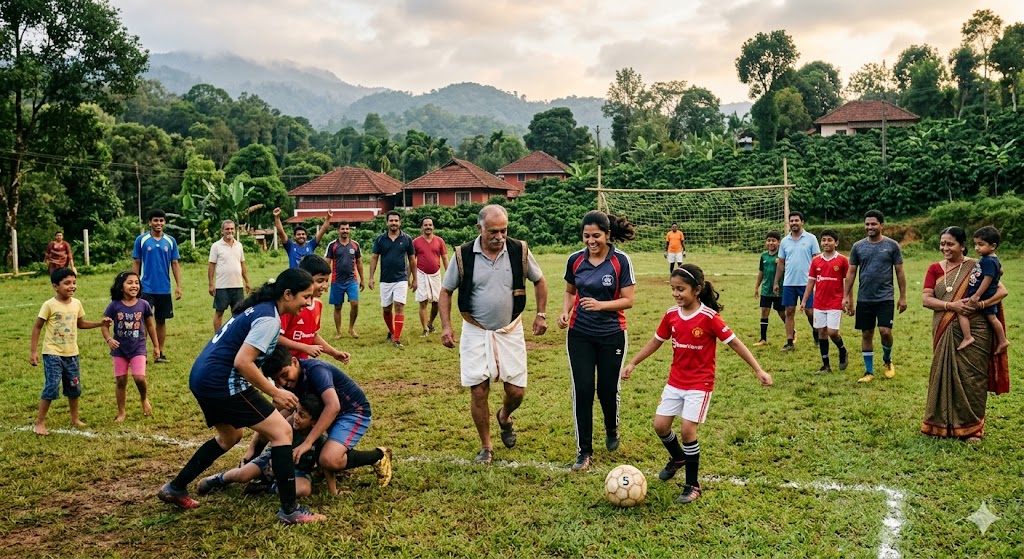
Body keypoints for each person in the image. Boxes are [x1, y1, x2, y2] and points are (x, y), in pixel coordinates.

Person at [155, 268, 326, 525]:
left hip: (201, 377)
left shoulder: (261, 308)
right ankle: (290, 511)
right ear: (288, 294)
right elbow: (243, 362)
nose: (308, 303)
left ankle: (176, 487)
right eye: (305, 296)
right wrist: (275, 392)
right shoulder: (269, 318)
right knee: (282, 433)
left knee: (230, 436)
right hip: (221, 382)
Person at [621, 264, 771, 504]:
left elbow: (735, 343)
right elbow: (656, 341)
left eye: (681, 289)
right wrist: (633, 363)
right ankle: (678, 458)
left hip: (699, 385)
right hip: (675, 382)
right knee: (660, 426)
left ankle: (693, 485)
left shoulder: (709, 318)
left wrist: (758, 370)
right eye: (673, 289)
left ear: (697, 290)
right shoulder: (671, 315)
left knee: (687, 431)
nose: (676, 294)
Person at [439, 204, 548, 465]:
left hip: (510, 329)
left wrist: (541, 314)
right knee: (478, 389)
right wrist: (445, 326)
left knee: (517, 391)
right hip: (475, 330)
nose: (499, 237)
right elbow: (445, 291)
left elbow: (540, 280)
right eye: (493, 232)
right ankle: (486, 446)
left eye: (503, 230)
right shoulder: (463, 255)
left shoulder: (518, 250)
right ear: (480, 229)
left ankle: (504, 416)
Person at [557, 211, 636, 471]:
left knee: (606, 389)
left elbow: (628, 300)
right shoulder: (575, 260)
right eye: (586, 236)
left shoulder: (620, 261)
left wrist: (601, 305)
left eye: (596, 236)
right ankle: (584, 452)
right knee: (582, 390)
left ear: (608, 235)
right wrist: (565, 311)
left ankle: (612, 429)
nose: (591, 241)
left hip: (611, 334)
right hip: (579, 334)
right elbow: (570, 292)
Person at [261, 345, 394, 492]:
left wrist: (308, 442)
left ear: (294, 361)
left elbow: (333, 406)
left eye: (285, 375)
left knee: (329, 459)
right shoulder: (289, 381)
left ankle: (378, 456)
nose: (283, 382)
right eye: (277, 380)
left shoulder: (316, 370)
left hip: (352, 412)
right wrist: (253, 450)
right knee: (277, 425)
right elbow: (277, 413)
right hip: (326, 413)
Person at [920, 226, 1009, 441]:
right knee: (942, 375)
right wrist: (952, 306)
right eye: (942, 244)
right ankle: (939, 425)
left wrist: (980, 305)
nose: (945, 248)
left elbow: (1001, 291)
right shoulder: (935, 269)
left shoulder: (978, 266)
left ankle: (972, 428)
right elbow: (926, 299)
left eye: (950, 244)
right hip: (944, 327)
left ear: (962, 245)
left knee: (973, 378)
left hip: (977, 331)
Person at [29, 268, 112, 436]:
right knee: (52, 386)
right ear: (55, 286)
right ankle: (40, 422)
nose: (72, 286)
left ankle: (75, 419)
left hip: (72, 353)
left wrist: (99, 324)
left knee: (74, 387)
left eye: (74, 282)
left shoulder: (77, 303)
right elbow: (37, 327)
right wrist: (33, 351)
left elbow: (80, 324)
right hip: (52, 353)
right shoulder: (49, 305)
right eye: (67, 283)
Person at [197, 393, 326, 499]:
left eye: (302, 416)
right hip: (272, 460)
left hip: (298, 472)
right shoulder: (288, 426)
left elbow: (322, 462)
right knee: (243, 475)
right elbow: (269, 438)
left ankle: (264, 487)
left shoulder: (320, 440)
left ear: (314, 423)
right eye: (296, 411)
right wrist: (256, 454)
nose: (296, 417)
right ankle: (219, 479)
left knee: (304, 489)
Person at [841, 210, 908, 383]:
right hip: (865, 298)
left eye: (873, 224)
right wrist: (846, 296)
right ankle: (869, 371)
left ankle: (887, 360)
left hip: (885, 297)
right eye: (867, 224)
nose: (869, 227)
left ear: (881, 225)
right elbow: (851, 272)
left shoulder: (892, 246)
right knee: (866, 333)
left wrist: (903, 296)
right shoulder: (858, 247)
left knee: (885, 332)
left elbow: (899, 272)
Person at [100, 271, 159, 422]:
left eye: (136, 283)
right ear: (121, 287)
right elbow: (104, 325)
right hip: (119, 349)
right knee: (121, 380)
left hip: (138, 347)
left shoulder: (144, 304)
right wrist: (109, 340)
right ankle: (121, 412)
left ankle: (144, 399)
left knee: (139, 378)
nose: (134, 286)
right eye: (130, 283)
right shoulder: (114, 305)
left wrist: (156, 347)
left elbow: (151, 327)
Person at [278, 254, 351, 363]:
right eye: (320, 281)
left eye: (326, 281)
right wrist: (305, 347)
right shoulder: (291, 306)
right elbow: (276, 338)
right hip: (283, 365)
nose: (325, 286)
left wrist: (334, 353)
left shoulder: (318, 305)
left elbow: (312, 335)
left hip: (301, 363)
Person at [132, 209, 182, 363]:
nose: (158, 223)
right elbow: (136, 263)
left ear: (165, 223)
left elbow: (175, 263)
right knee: (144, 322)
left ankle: (159, 353)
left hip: (164, 289)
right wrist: (134, 284)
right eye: (155, 220)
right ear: (150, 222)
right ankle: (142, 354)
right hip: (145, 288)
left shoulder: (170, 241)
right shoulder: (141, 240)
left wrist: (179, 286)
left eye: (161, 220)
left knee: (161, 321)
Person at [800, 229, 849, 374]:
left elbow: (848, 281)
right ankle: (826, 365)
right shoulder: (816, 261)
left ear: (836, 243)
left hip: (835, 301)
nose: (826, 243)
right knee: (821, 332)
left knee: (832, 332)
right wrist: (804, 300)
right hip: (819, 302)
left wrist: (847, 299)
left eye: (829, 240)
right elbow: (811, 282)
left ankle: (842, 350)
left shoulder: (842, 260)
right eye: (824, 240)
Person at [957, 226, 1009, 354]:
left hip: (983, 296)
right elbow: (1000, 270)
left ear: (992, 246)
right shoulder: (991, 258)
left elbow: (987, 279)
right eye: (975, 244)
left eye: (981, 244)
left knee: (962, 311)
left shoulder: (988, 261)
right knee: (991, 318)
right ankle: (1002, 340)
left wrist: (977, 296)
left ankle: (969, 337)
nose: (977, 248)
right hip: (983, 295)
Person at [368, 211, 417, 348]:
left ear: (400, 223)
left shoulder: (407, 239)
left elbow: (412, 260)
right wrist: (371, 277)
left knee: (399, 306)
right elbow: (374, 258)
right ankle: (391, 331)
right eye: (391, 221)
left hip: (401, 278)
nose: (394, 223)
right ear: (387, 223)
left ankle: (396, 339)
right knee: (387, 309)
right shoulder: (380, 239)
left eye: (396, 220)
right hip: (385, 279)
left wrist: (414, 279)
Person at [774, 211, 820, 352]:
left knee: (810, 312)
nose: (794, 223)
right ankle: (789, 342)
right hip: (789, 283)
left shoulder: (811, 238)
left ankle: (817, 334)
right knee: (789, 311)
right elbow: (781, 263)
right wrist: (776, 282)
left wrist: (818, 280)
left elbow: (817, 260)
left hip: (807, 282)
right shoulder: (785, 242)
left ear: (802, 222)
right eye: (791, 221)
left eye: (796, 220)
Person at [208, 220, 252, 333]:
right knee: (219, 312)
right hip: (222, 286)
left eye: (232, 228)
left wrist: (247, 281)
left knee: (238, 313)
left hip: (237, 285)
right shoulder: (216, 246)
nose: (230, 231)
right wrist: (211, 284)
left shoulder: (239, 245)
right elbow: (211, 265)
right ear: (222, 230)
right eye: (227, 229)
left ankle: (236, 335)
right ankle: (217, 336)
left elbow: (242, 264)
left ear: (235, 230)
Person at [323, 220, 364, 339]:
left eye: (347, 229)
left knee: (355, 303)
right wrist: (325, 281)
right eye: (342, 229)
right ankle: (339, 331)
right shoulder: (332, 245)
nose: (345, 231)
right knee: (337, 307)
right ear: (338, 231)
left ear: (349, 230)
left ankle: (351, 328)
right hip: (337, 281)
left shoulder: (355, 245)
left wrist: (362, 279)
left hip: (352, 280)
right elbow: (327, 263)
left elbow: (359, 263)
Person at [413, 216, 449, 337]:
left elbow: (444, 258)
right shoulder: (416, 242)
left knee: (436, 302)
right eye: (425, 225)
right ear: (421, 227)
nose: (428, 227)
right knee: (423, 302)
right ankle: (425, 329)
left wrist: (449, 274)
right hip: (421, 274)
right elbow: (412, 260)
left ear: (433, 227)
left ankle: (430, 323)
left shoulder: (439, 241)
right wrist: (410, 277)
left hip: (436, 274)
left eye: (430, 225)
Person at [753, 231, 785, 347]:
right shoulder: (764, 256)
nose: (771, 243)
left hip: (779, 290)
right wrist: (757, 287)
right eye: (769, 240)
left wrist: (782, 264)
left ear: (779, 242)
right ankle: (763, 339)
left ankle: (792, 332)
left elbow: (788, 270)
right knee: (764, 312)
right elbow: (761, 272)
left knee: (782, 313)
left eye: (773, 240)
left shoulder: (782, 257)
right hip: (766, 289)